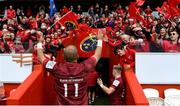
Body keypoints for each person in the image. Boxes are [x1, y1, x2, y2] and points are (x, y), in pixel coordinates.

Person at [37, 30, 103, 105]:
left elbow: (41, 58)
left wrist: (40, 42)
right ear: (78, 56)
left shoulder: (56, 68)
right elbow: (97, 55)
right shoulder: (85, 66)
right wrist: (100, 40)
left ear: (63, 56)